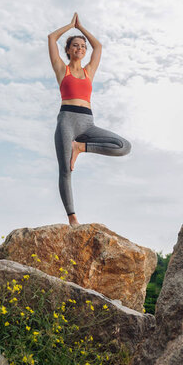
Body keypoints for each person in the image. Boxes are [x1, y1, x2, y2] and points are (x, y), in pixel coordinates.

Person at [48, 12, 131, 227]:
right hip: (67, 120)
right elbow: (51, 38)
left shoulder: (89, 71)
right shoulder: (61, 69)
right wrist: (69, 26)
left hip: (87, 123)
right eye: (75, 46)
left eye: (83, 47)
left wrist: (82, 28)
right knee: (65, 170)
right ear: (68, 50)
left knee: (124, 146)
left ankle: (81, 148)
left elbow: (99, 47)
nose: (80, 49)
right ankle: (72, 217)